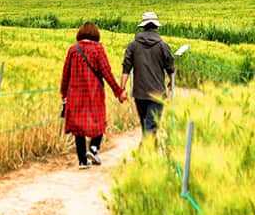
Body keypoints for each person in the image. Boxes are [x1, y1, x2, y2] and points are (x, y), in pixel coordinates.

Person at [61, 22, 126, 168]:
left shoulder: (73, 50)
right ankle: (93, 149)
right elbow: (106, 72)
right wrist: (118, 92)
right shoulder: (98, 49)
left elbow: (65, 75)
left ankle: (82, 161)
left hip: (75, 94)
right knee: (99, 121)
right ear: (95, 34)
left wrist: (63, 94)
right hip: (94, 93)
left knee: (78, 128)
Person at [121, 11, 175, 136]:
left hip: (139, 94)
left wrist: (122, 88)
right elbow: (170, 68)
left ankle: (149, 152)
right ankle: (148, 151)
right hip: (157, 93)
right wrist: (171, 83)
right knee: (151, 127)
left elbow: (126, 68)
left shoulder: (133, 46)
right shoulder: (163, 46)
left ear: (143, 26)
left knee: (146, 126)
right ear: (156, 27)